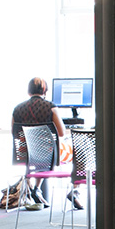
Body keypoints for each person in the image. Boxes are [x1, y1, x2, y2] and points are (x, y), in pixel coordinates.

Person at [10, 77, 70, 210]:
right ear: (45, 91)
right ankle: (37, 188)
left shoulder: (17, 109)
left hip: (24, 153)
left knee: (35, 154)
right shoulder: (50, 107)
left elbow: (14, 133)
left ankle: (31, 185)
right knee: (69, 151)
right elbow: (61, 133)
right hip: (46, 154)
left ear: (28, 91)